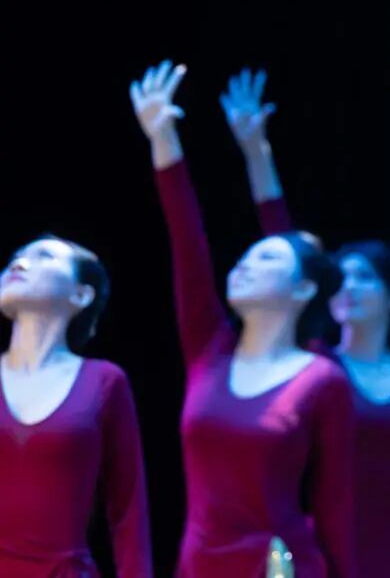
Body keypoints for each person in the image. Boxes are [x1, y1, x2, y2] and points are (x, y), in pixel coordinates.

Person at [220, 69, 390, 578]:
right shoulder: (319, 365)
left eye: (364, 278)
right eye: (340, 278)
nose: (348, 287)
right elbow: (284, 240)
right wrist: (257, 153)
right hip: (341, 551)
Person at [129, 61, 356, 577]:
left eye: (266, 258)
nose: (245, 265)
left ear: (304, 289)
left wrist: (258, 154)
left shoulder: (321, 377)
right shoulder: (208, 350)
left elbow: (336, 507)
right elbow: (187, 242)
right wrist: (163, 139)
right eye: (244, 258)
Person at [0, 237, 152, 577]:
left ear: (81, 295)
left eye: (43, 255)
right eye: (14, 258)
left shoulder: (104, 381)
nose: (17, 264)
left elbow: (128, 510)